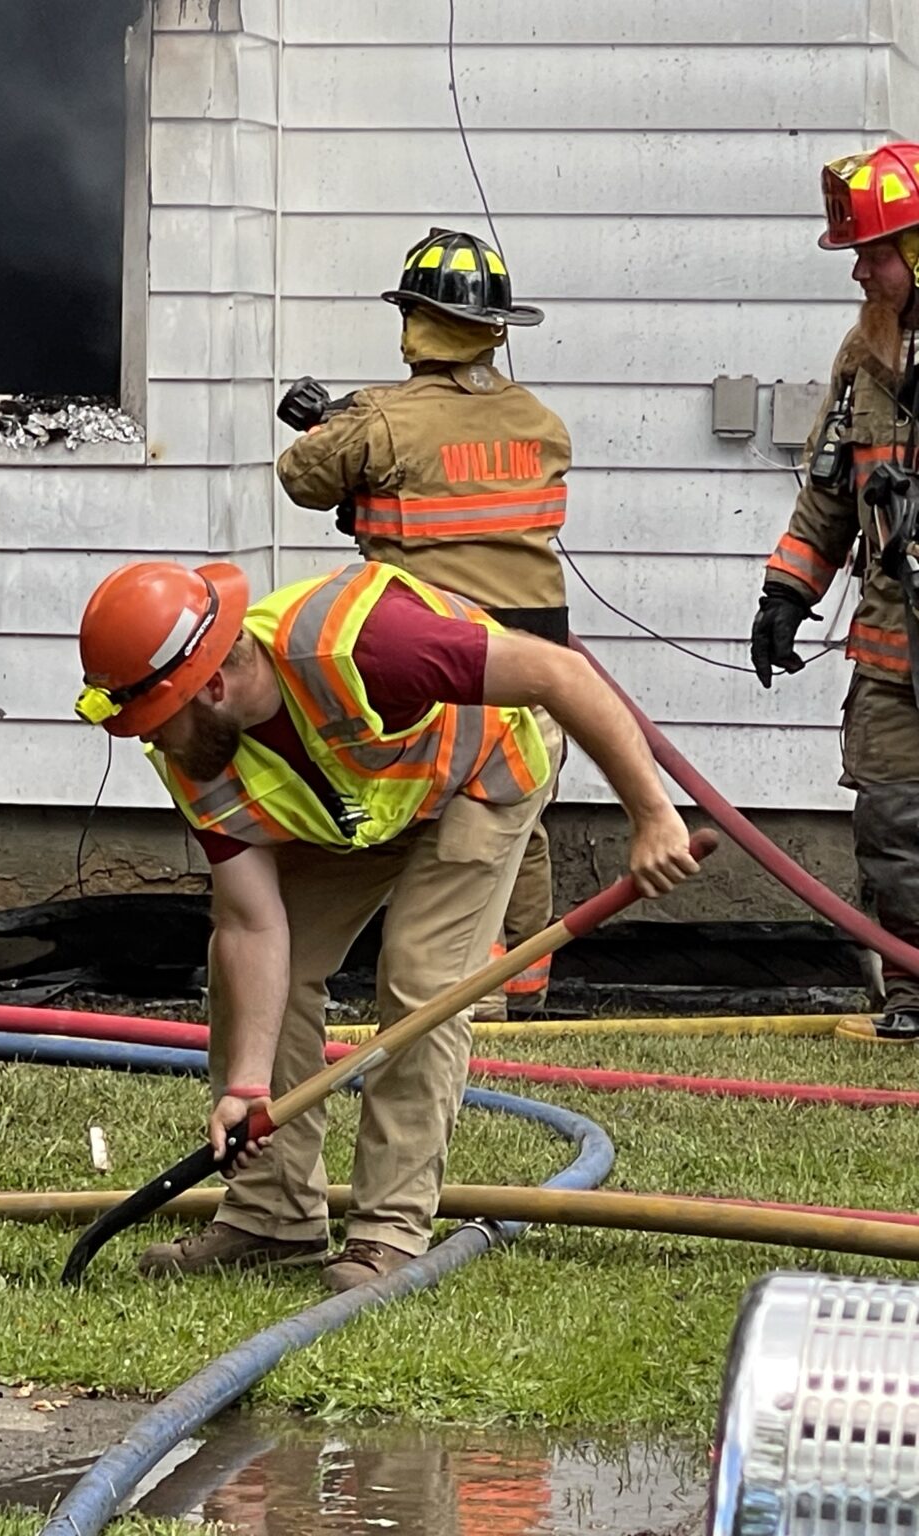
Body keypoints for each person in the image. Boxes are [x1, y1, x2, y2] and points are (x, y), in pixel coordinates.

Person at [73, 559, 696, 1290]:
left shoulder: (366, 647)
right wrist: (244, 1085)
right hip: (370, 806)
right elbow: (253, 927)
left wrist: (653, 815)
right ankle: (271, 1218)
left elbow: (561, 675)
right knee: (248, 973)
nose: (151, 741)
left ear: (212, 686)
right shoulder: (197, 752)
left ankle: (387, 1235)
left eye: (153, 721)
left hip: (482, 777)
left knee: (421, 976)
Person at [276, 229, 570, 1018]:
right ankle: (522, 985)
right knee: (518, 823)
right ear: (497, 326)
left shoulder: (382, 420)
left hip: (438, 675)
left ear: (413, 319)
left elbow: (303, 478)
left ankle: (449, 990)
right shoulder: (542, 425)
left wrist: (330, 427)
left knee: (426, 826)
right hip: (539, 673)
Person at [754, 141, 919, 1045]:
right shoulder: (864, 359)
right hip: (894, 650)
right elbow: (828, 495)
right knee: (893, 825)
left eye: (875, 251)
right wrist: (786, 593)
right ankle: (912, 990)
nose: (859, 268)